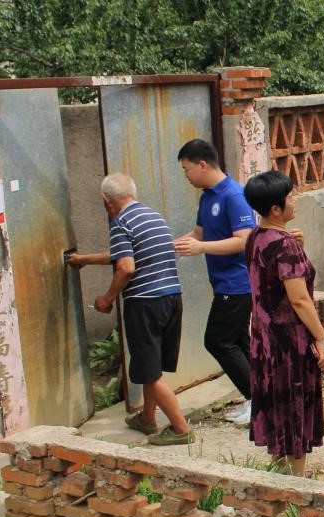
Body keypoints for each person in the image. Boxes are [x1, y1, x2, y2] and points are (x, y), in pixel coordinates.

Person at [66, 173, 192, 446]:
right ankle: (147, 418)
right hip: (171, 299)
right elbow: (125, 255)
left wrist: (108, 298)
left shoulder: (121, 222)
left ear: (106, 200)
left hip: (145, 303)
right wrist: (85, 259)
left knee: (149, 371)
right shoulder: (154, 217)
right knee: (151, 366)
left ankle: (181, 429)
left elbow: (126, 266)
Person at [243, 170, 324, 477]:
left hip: (264, 336)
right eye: (290, 196)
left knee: (275, 399)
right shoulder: (284, 245)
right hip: (289, 340)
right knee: (293, 402)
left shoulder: (256, 237)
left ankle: (280, 469)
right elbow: (299, 299)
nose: (295, 200)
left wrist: (298, 247)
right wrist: (320, 337)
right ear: (275, 209)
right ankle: (297, 478)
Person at [174, 139, 256, 425]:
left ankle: (257, 401)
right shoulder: (207, 196)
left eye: (186, 169)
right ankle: (261, 398)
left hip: (238, 283)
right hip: (223, 283)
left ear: (202, 165)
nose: (186, 176)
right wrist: (172, 245)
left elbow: (244, 240)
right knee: (238, 341)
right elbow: (198, 234)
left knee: (217, 341)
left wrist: (201, 248)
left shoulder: (234, 195)